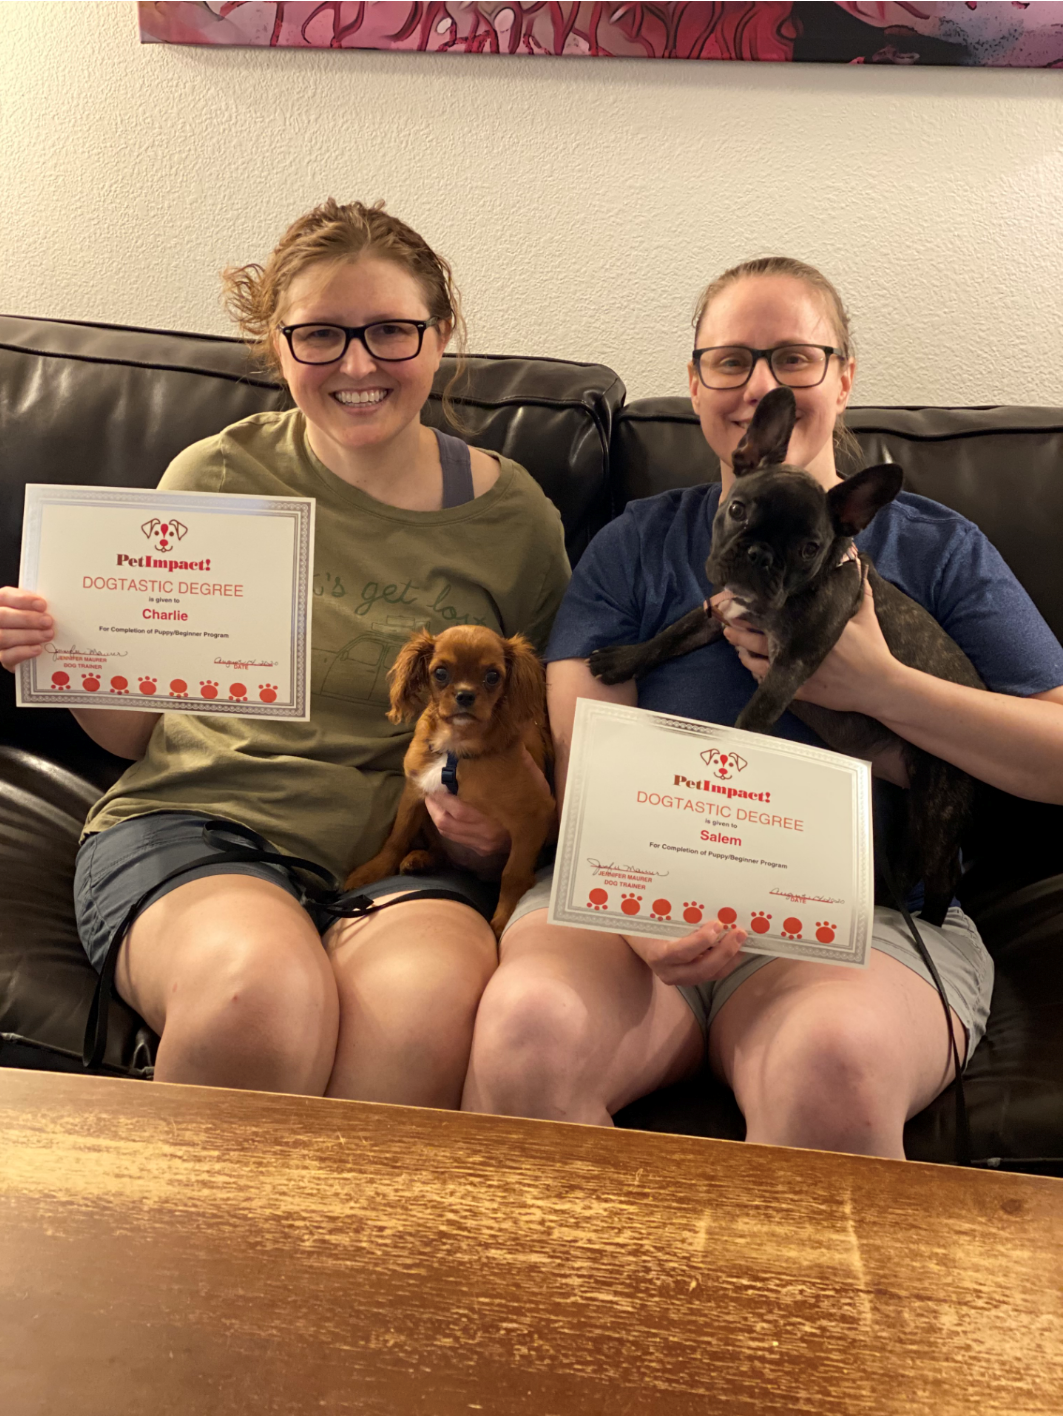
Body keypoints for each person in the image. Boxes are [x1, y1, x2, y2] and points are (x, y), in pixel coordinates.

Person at [462, 256, 1063, 1159]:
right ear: (696, 384)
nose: (760, 386)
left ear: (846, 376)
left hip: (862, 912)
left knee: (833, 1061)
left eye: (795, 357)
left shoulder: (940, 546)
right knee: (528, 1034)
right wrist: (638, 910)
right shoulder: (635, 542)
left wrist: (880, 687)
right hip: (633, 891)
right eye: (730, 360)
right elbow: (585, 741)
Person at [0, 199, 568, 1104]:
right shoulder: (215, 477)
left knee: (421, 1025)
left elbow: (541, 737)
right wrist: (60, 648)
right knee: (256, 1002)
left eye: (391, 331)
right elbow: (124, 737)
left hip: (401, 858)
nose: (357, 364)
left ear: (441, 336)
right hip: (200, 828)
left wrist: (493, 827)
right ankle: (180, 1250)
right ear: (276, 343)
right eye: (320, 336)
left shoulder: (517, 520)